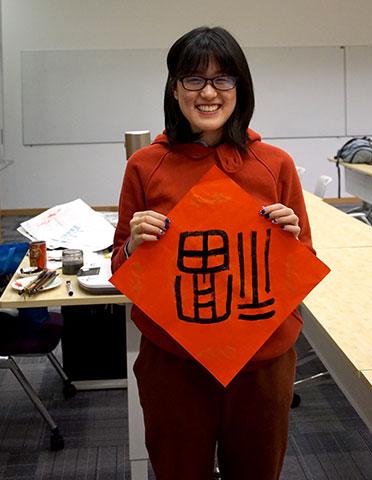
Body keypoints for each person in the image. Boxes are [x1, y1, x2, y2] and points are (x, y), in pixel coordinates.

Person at [111, 26, 314, 480]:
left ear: (240, 88)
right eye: (193, 79)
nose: (208, 92)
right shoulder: (145, 165)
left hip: (261, 362)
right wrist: (131, 243)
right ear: (174, 88)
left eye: (223, 79)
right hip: (175, 363)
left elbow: (303, 258)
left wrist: (290, 234)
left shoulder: (275, 164)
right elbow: (120, 268)